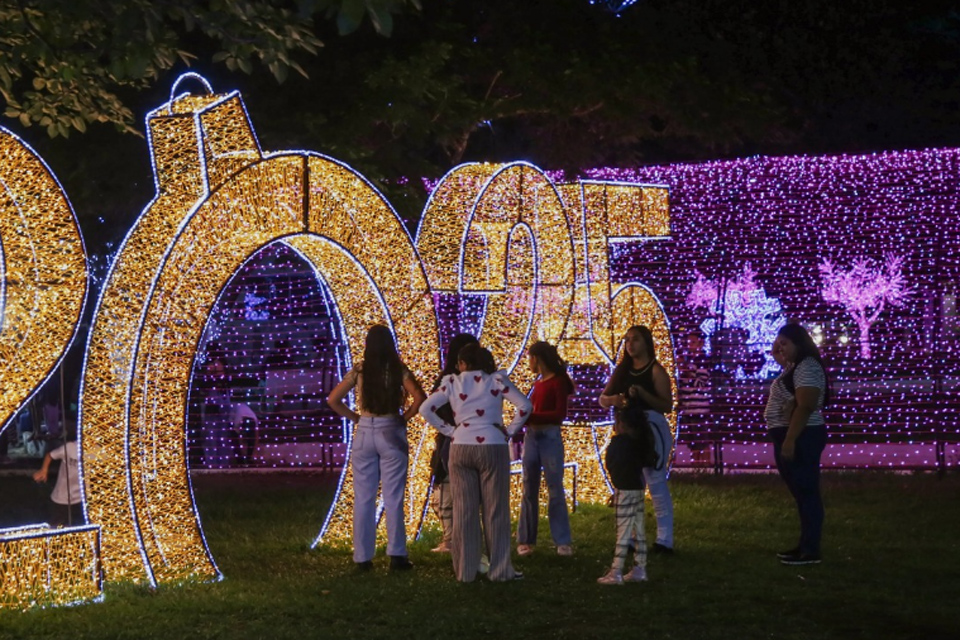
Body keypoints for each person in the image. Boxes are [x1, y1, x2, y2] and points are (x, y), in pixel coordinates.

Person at [420, 344, 531, 582]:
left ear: (461, 363)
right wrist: (509, 431)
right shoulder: (496, 381)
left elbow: (425, 408)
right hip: (492, 445)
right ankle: (500, 570)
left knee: (464, 511)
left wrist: (450, 430)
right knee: (495, 510)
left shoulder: (452, 382)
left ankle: (466, 571)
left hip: (460, 446)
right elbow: (525, 406)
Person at [327, 325, 426, 571]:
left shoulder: (360, 370)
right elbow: (419, 397)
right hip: (391, 428)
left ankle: (362, 558)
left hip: (365, 431)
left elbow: (332, 399)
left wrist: (355, 418)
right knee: (393, 497)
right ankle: (397, 555)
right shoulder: (398, 369)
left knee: (363, 497)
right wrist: (406, 416)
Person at [599, 325, 675, 554]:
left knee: (656, 483)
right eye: (627, 340)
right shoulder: (621, 371)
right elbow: (603, 398)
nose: (630, 345)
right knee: (630, 484)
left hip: (652, 429)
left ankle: (664, 540)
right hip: (627, 432)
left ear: (646, 343)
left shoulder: (655, 371)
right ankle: (631, 537)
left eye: (636, 340)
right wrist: (614, 399)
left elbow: (667, 405)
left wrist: (643, 395)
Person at [766, 323, 830, 566]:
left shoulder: (807, 367)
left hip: (802, 435)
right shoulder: (795, 367)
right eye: (778, 342)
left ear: (799, 344)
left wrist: (790, 439)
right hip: (793, 434)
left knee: (807, 492)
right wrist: (777, 349)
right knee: (802, 494)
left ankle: (810, 550)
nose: (780, 347)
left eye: (785, 343)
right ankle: (804, 545)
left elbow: (805, 406)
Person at [516, 341, 575, 557]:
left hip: (549, 435)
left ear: (537, 359)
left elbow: (559, 414)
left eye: (530, 358)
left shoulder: (557, 382)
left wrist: (529, 417)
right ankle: (525, 539)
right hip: (533, 436)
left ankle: (562, 540)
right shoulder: (539, 384)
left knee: (554, 487)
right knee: (529, 486)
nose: (529, 363)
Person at [428, 333, 480, 554]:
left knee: (454, 488)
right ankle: (454, 537)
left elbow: (428, 408)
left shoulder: (462, 380)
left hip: (459, 439)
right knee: (452, 488)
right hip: (464, 439)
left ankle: (456, 538)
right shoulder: (451, 379)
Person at [597, 400, 657, 585]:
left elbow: (611, 463)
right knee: (638, 530)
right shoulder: (641, 442)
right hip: (638, 487)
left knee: (622, 532)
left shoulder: (620, 443)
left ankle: (616, 571)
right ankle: (640, 567)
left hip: (624, 489)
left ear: (622, 424)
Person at [33, 426, 84, 526]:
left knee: (76, 524)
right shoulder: (70, 447)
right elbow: (50, 455)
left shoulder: (97, 452)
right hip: (62, 496)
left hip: (81, 496)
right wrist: (44, 470)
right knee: (57, 523)